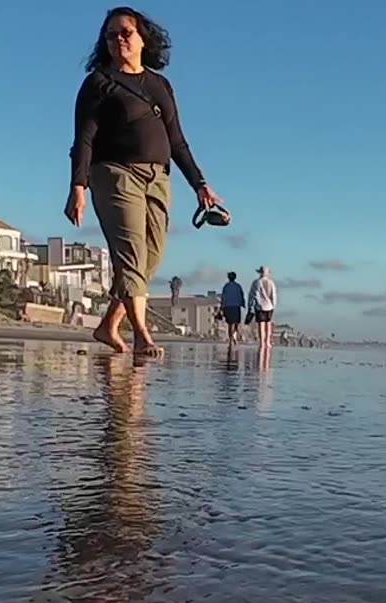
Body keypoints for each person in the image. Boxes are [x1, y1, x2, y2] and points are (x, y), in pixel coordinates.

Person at [64, 6, 224, 357]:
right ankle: (141, 335)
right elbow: (84, 139)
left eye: (125, 32)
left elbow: (177, 139)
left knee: (151, 257)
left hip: (158, 178)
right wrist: (78, 187)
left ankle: (108, 326)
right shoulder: (98, 82)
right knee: (132, 254)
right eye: (110, 35)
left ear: (142, 38)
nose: (118, 39)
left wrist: (200, 184)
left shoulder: (159, 84)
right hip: (115, 174)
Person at [248, 266, 278, 348]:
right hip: (269, 306)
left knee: (261, 324)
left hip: (259, 306)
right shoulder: (271, 283)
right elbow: (274, 295)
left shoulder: (256, 282)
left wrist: (251, 305)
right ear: (267, 273)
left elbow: (253, 294)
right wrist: (273, 305)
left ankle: (262, 343)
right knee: (268, 324)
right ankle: (267, 342)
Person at [219, 271, 245, 345]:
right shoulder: (238, 286)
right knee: (236, 322)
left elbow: (223, 297)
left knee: (230, 324)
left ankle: (231, 338)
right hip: (236, 306)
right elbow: (241, 295)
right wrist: (243, 304)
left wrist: (221, 307)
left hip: (228, 306)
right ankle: (234, 335)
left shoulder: (226, 286)